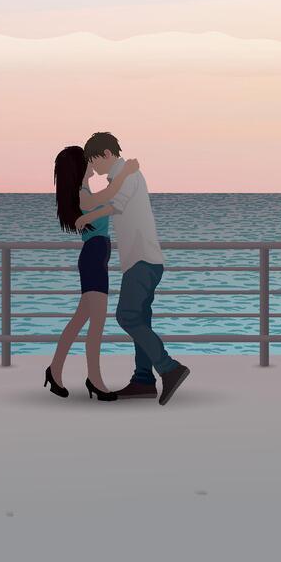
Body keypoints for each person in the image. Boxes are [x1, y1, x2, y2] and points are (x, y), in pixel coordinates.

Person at [83, 132, 189, 405]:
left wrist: (85, 218)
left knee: (127, 316)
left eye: (94, 162)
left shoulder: (128, 175)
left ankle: (169, 368)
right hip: (140, 260)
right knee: (140, 318)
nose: (94, 168)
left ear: (106, 153)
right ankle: (143, 379)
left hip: (142, 260)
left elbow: (113, 207)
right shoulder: (123, 175)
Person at [42, 146, 138, 401]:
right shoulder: (84, 195)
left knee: (79, 322)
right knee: (96, 325)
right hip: (94, 259)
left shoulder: (86, 193)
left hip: (97, 257)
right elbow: (111, 194)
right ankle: (94, 380)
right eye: (86, 160)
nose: (91, 163)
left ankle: (54, 370)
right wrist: (126, 172)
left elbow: (108, 199)